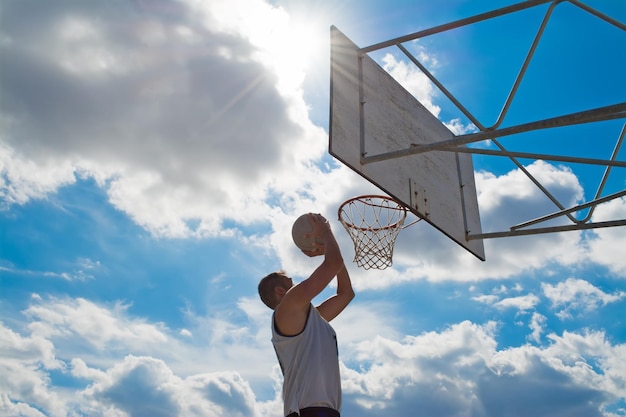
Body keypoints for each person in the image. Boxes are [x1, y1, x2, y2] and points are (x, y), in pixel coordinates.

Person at [258, 213, 355, 417]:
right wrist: (325, 233)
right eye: (290, 282)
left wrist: (329, 251)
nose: (294, 282)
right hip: (308, 411)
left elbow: (346, 293)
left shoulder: (311, 320)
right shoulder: (287, 307)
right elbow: (331, 265)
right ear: (280, 291)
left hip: (322, 410)